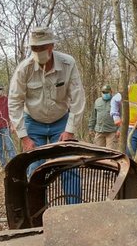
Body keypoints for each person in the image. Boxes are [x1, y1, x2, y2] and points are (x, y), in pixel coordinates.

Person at [8, 26, 85, 203]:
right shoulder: (24, 70)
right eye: (34, 48)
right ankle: (37, 214)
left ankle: (73, 210)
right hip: (33, 123)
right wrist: (24, 137)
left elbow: (77, 97)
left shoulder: (68, 63)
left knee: (69, 166)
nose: (37, 52)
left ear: (51, 46)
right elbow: (14, 102)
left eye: (41, 48)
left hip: (61, 121)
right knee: (35, 169)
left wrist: (70, 130)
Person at [88, 84, 118, 149]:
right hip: (99, 131)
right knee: (98, 152)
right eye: (104, 92)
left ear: (111, 92)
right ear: (101, 92)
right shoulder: (97, 101)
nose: (105, 94)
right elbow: (93, 116)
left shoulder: (116, 101)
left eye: (107, 92)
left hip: (111, 132)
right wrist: (91, 128)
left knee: (110, 152)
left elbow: (121, 116)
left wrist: (119, 130)